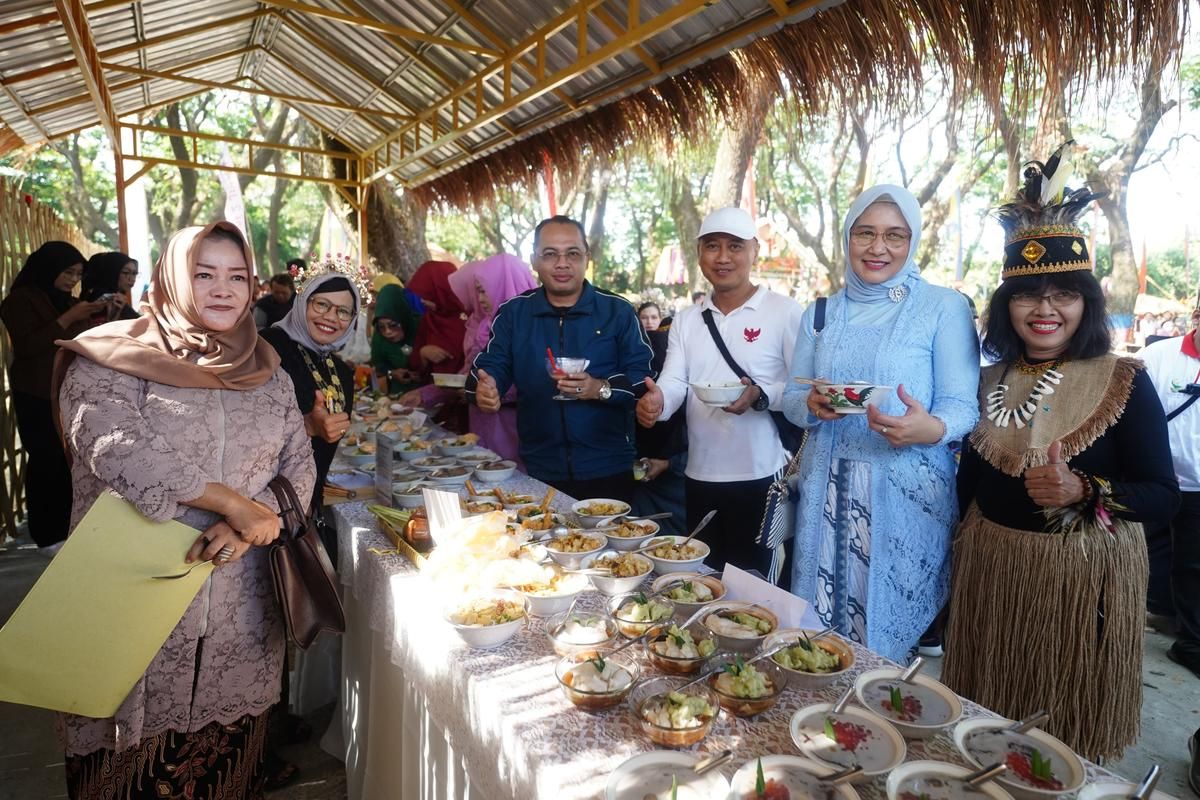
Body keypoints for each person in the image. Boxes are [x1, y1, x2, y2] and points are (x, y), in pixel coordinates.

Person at [52, 220, 316, 797]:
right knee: (125, 764)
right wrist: (231, 503)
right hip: (130, 591)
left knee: (226, 765)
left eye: (237, 276)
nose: (223, 289)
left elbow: (298, 465)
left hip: (240, 600)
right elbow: (112, 444)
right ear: (172, 277)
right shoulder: (109, 357)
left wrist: (246, 526)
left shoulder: (267, 373)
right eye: (203, 274)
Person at [941, 159, 1178, 761]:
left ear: (1087, 302)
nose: (1044, 309)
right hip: (991, 575)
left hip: (1081, 588)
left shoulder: (1122, 379)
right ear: (1007, 306)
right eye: (1026, 296)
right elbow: (964, 486)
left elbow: (1162, 494)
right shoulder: (984, 378)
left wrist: (1085, 491)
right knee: (986, 727)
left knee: (1058, 746)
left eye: (1064, 294)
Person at [780, 185, 980, 660]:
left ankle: (880, 722)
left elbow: (962, 405)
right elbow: (791, 399)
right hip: (826, 488)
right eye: (865, 233)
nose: (878, 247)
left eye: (895, 235)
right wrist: (811, 404)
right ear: (847, 236)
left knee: (886, 639)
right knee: (819, 636)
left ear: (913, 241)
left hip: (904, 490)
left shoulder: (942, 307)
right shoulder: (822, 311)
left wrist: (929, 429)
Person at [637, 208, 804, 577]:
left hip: (763, 477)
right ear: (699, 253)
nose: (723, 257)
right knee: (705, 582)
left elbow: (802, 389)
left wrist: (761, 395)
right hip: (700, 477)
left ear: (754, 251)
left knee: (761, 589)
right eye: (712, 246)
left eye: (735, 246)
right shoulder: (686, 318)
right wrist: (658, 402)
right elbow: (675, 381)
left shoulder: (785, 312)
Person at [466, 215, 652, 503]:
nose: (562, 263)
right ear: (535, 260)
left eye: (572, 254)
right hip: (539, 467)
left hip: (609, 466)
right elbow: (492, 365)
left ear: (587, 258)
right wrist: (486, 387)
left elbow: (643, 375)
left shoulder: (618, 311)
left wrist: (600, 388)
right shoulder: (515, 313)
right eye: (550, 254)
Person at [0, 241, 106, 549]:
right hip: (35, 391)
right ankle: (47, 535)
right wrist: (71, 317)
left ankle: (67, 528)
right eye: (68, 272)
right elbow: (29, 346)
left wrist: (90, 316)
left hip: (66, 389)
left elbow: (80, 339)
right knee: (45, 460)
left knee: (66, 461)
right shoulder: (20, 301)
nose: (73, 280)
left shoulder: (64, 300)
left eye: (78, 274)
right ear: (48, 268)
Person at [400, 253, 538, 465]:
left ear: (502, 286)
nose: (479, 298)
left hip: (513, 427)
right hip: (482, 423)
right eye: (478, 291)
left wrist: (486, 389)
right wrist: (427, 394)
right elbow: (468, 374)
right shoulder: (483, 325)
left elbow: (536, 381)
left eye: (484, 290)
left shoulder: (534, 328)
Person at [261, 266, 361, 504]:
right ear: (302, 302)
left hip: (306, 503)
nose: (330, 317)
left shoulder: (342, 372)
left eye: (344, 311)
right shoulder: (268, 347)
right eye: (321, 305)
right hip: (262, 504)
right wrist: (305, 426)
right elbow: (239, 421)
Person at [1137, 304, 1200, 676]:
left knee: (1192, 564)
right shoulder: (1157, 357)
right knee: (1142, 552)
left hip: (1197, 489)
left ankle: (1191, 639)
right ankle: (1149, 612)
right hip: (1150, 482)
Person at [407, 260, 467, 377]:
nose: (423, 301)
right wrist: (423, 353)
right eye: (421, 297)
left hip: (466, 389)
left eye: (429, 295)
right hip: (433, 388)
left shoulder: (471, 317)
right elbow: (414, 366)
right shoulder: (429, 318)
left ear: (443, 290)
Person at [370, 282, 421, 393]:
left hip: (426, 393)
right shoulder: (379, 336)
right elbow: (377, 367)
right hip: (395, 395)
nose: (387, 332)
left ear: (403, 318)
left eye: (393, 325)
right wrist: (392, 373)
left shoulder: (421, 327)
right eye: (382, 327)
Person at [81, 252, 138, 322]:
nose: (132, 279)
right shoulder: (104, 300)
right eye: (126, 272)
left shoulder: (118, 297)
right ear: (112, 273)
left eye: (134, 273)